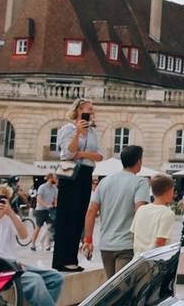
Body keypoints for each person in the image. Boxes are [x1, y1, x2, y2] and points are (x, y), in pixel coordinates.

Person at [0, 184, 64, 306]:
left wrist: (11, 213)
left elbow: (24, 236)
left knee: (56, 278)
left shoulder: (12, 218)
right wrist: (7, 263)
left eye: (3, 199)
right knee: (35, 280)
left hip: (14, 265)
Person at [52, 97, 104, 272]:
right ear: (79, 109)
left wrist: (80, 153)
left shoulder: (93, 132)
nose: (92, 112)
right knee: (67, 215)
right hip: (70, 174)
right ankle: (62, 259)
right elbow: (67, 152)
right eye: (89, 109)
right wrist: (77, 134)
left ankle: (71, 258)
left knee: (79, 216)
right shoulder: (68, 128)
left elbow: (100, 156)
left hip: (85, 174)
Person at [82, 145, 150, 279]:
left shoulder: (104, 182)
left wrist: (88, 240)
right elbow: (140, 211)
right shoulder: (140, 183)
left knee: (112, 287)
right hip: (127, 245)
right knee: (123, 289)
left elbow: (91, 211)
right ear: (138, 162)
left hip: (106, 245)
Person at [131, 174, 177, 255]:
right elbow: (160, 241)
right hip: (154, 261)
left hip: (137, 259)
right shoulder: (167, 213)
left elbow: (133, 235)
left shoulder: (141, 209)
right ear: (168, 191)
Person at [30, 173, 58, 252]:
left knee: (50, 227)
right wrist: (46, 205)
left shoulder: (54, 188)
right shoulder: (42, 187)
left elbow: (55, 199)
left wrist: (55, 205)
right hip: (40, 210)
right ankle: (33, 244)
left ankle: (47, 245)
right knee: (38, 227)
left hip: (50, 210)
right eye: (55, 178)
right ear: (50, 178)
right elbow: (38, 198)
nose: (56, 179)